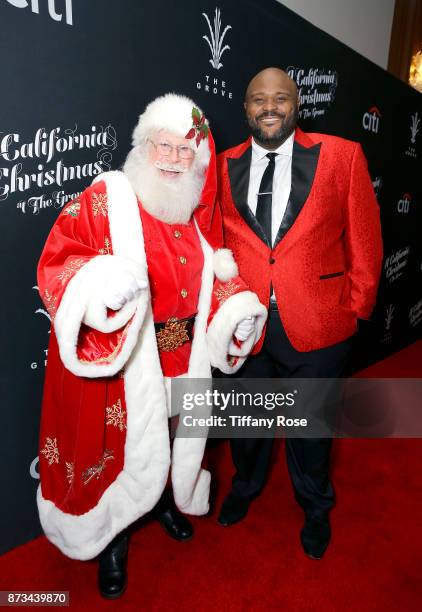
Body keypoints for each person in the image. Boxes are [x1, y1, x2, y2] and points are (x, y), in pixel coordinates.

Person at [36, 93, 267, 598]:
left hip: (182, 360)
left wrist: (237, 315)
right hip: (127, 364)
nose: (175, 159)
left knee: (165, 435)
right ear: (145, 147)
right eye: (165, 146)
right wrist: (100, 289)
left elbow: (214, 277)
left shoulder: (192, 213)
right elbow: (61, 256)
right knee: (119, 449)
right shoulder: (109, 199)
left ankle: (162, 500)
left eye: (187, 151)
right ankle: (114, 535)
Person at [216, 68, 383, 559]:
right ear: (245, 108)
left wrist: (355, 310)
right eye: (258, 99)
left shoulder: (342, 156)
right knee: (246, 426)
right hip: (245, 328)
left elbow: (366, 242)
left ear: (298, 104)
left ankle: (314, 507)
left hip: (319, 324)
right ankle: (245, 487)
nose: (269, 106)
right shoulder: (222, 165)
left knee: (312, 431)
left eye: (280, 98)